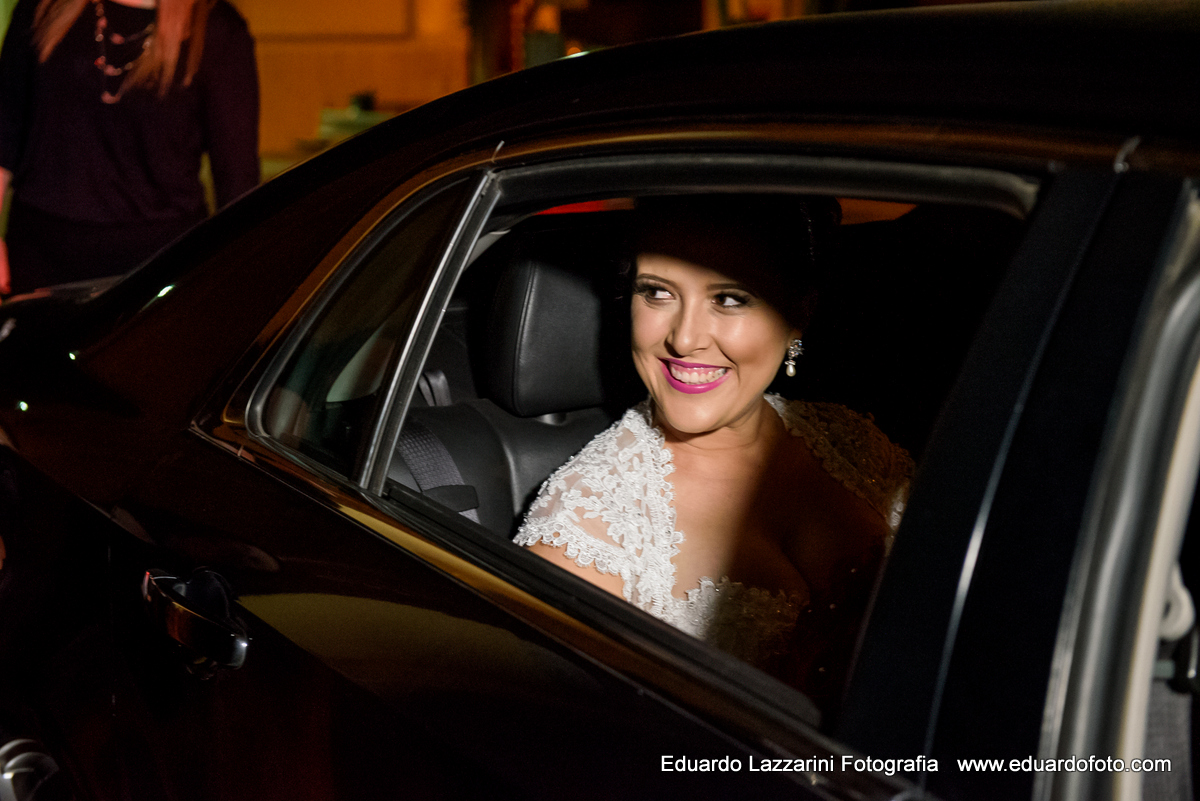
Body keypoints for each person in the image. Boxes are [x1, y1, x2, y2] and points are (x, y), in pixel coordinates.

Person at [514, 195, 914, 707]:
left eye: (729, 298)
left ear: (799, 313)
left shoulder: (851, 439)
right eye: (657, 292)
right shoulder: (586, 529)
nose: (684, 339)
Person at [0, 0, 259, 296]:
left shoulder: (216, 27)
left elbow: (238, 182)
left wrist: (236, 285)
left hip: (161, 267)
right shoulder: (43, 8)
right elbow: (4, 130)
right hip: (39, 258)